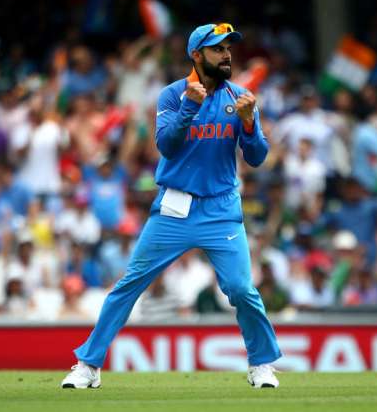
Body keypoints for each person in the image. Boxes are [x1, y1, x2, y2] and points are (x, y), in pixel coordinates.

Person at [62, 23, 282, 389]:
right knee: (130, 284)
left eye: (228, 49)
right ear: (197, 55)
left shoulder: (242, 97)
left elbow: (257, 157)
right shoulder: (172, 95)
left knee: (242, 289)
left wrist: (248, 124)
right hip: (174, 208)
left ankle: (261, 364)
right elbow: (166, 144)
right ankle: (88, 365)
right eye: (217, 49)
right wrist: (190, 106)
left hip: (221, 210)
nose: (226, 55)